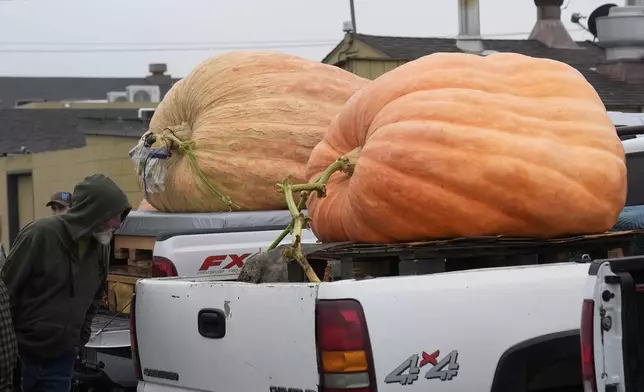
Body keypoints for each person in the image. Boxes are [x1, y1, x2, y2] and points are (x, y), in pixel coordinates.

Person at [0, 174, 131, 392]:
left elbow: (96, 296)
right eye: (114, 216)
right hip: (22, 357)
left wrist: (80, 339)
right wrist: (8, 352)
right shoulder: (40, 234)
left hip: (62, 359)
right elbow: (6, 290)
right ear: (93, 212)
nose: (118, 224)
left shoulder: (102, 245)